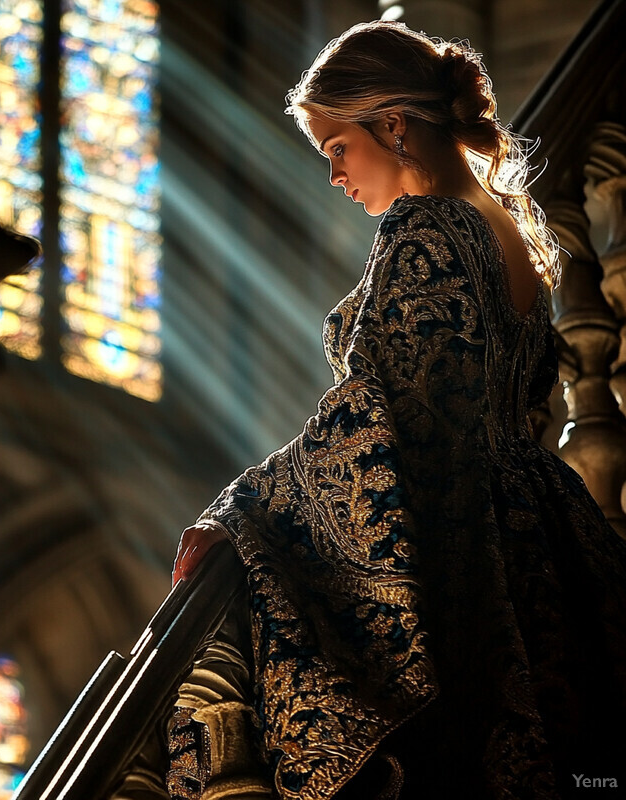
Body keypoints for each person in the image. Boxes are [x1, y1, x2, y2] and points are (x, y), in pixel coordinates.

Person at [166, 19, 626, 800]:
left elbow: (386, 410)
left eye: (338, 148)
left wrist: (239, 507)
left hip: (467, 552)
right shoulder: (512, 235)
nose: (336, 176)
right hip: (545, 540)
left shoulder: (427, 224)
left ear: (393, 123)